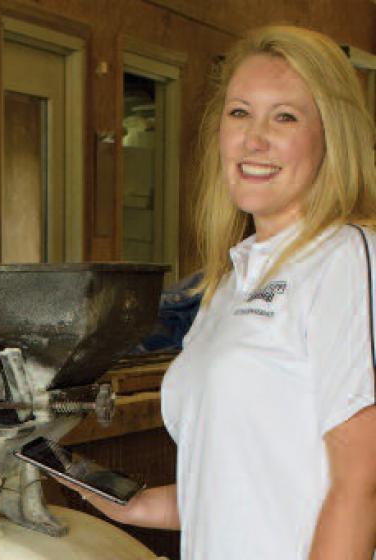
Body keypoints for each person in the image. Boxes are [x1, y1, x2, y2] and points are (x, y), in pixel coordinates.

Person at [66, 26, 376, 559]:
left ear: (332, 135)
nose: (254, 139)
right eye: (240, 112)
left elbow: (362, 482)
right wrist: (132, 505)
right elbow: (244, 488)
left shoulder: (345, 257)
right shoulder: (226, 286)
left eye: (285, 116)